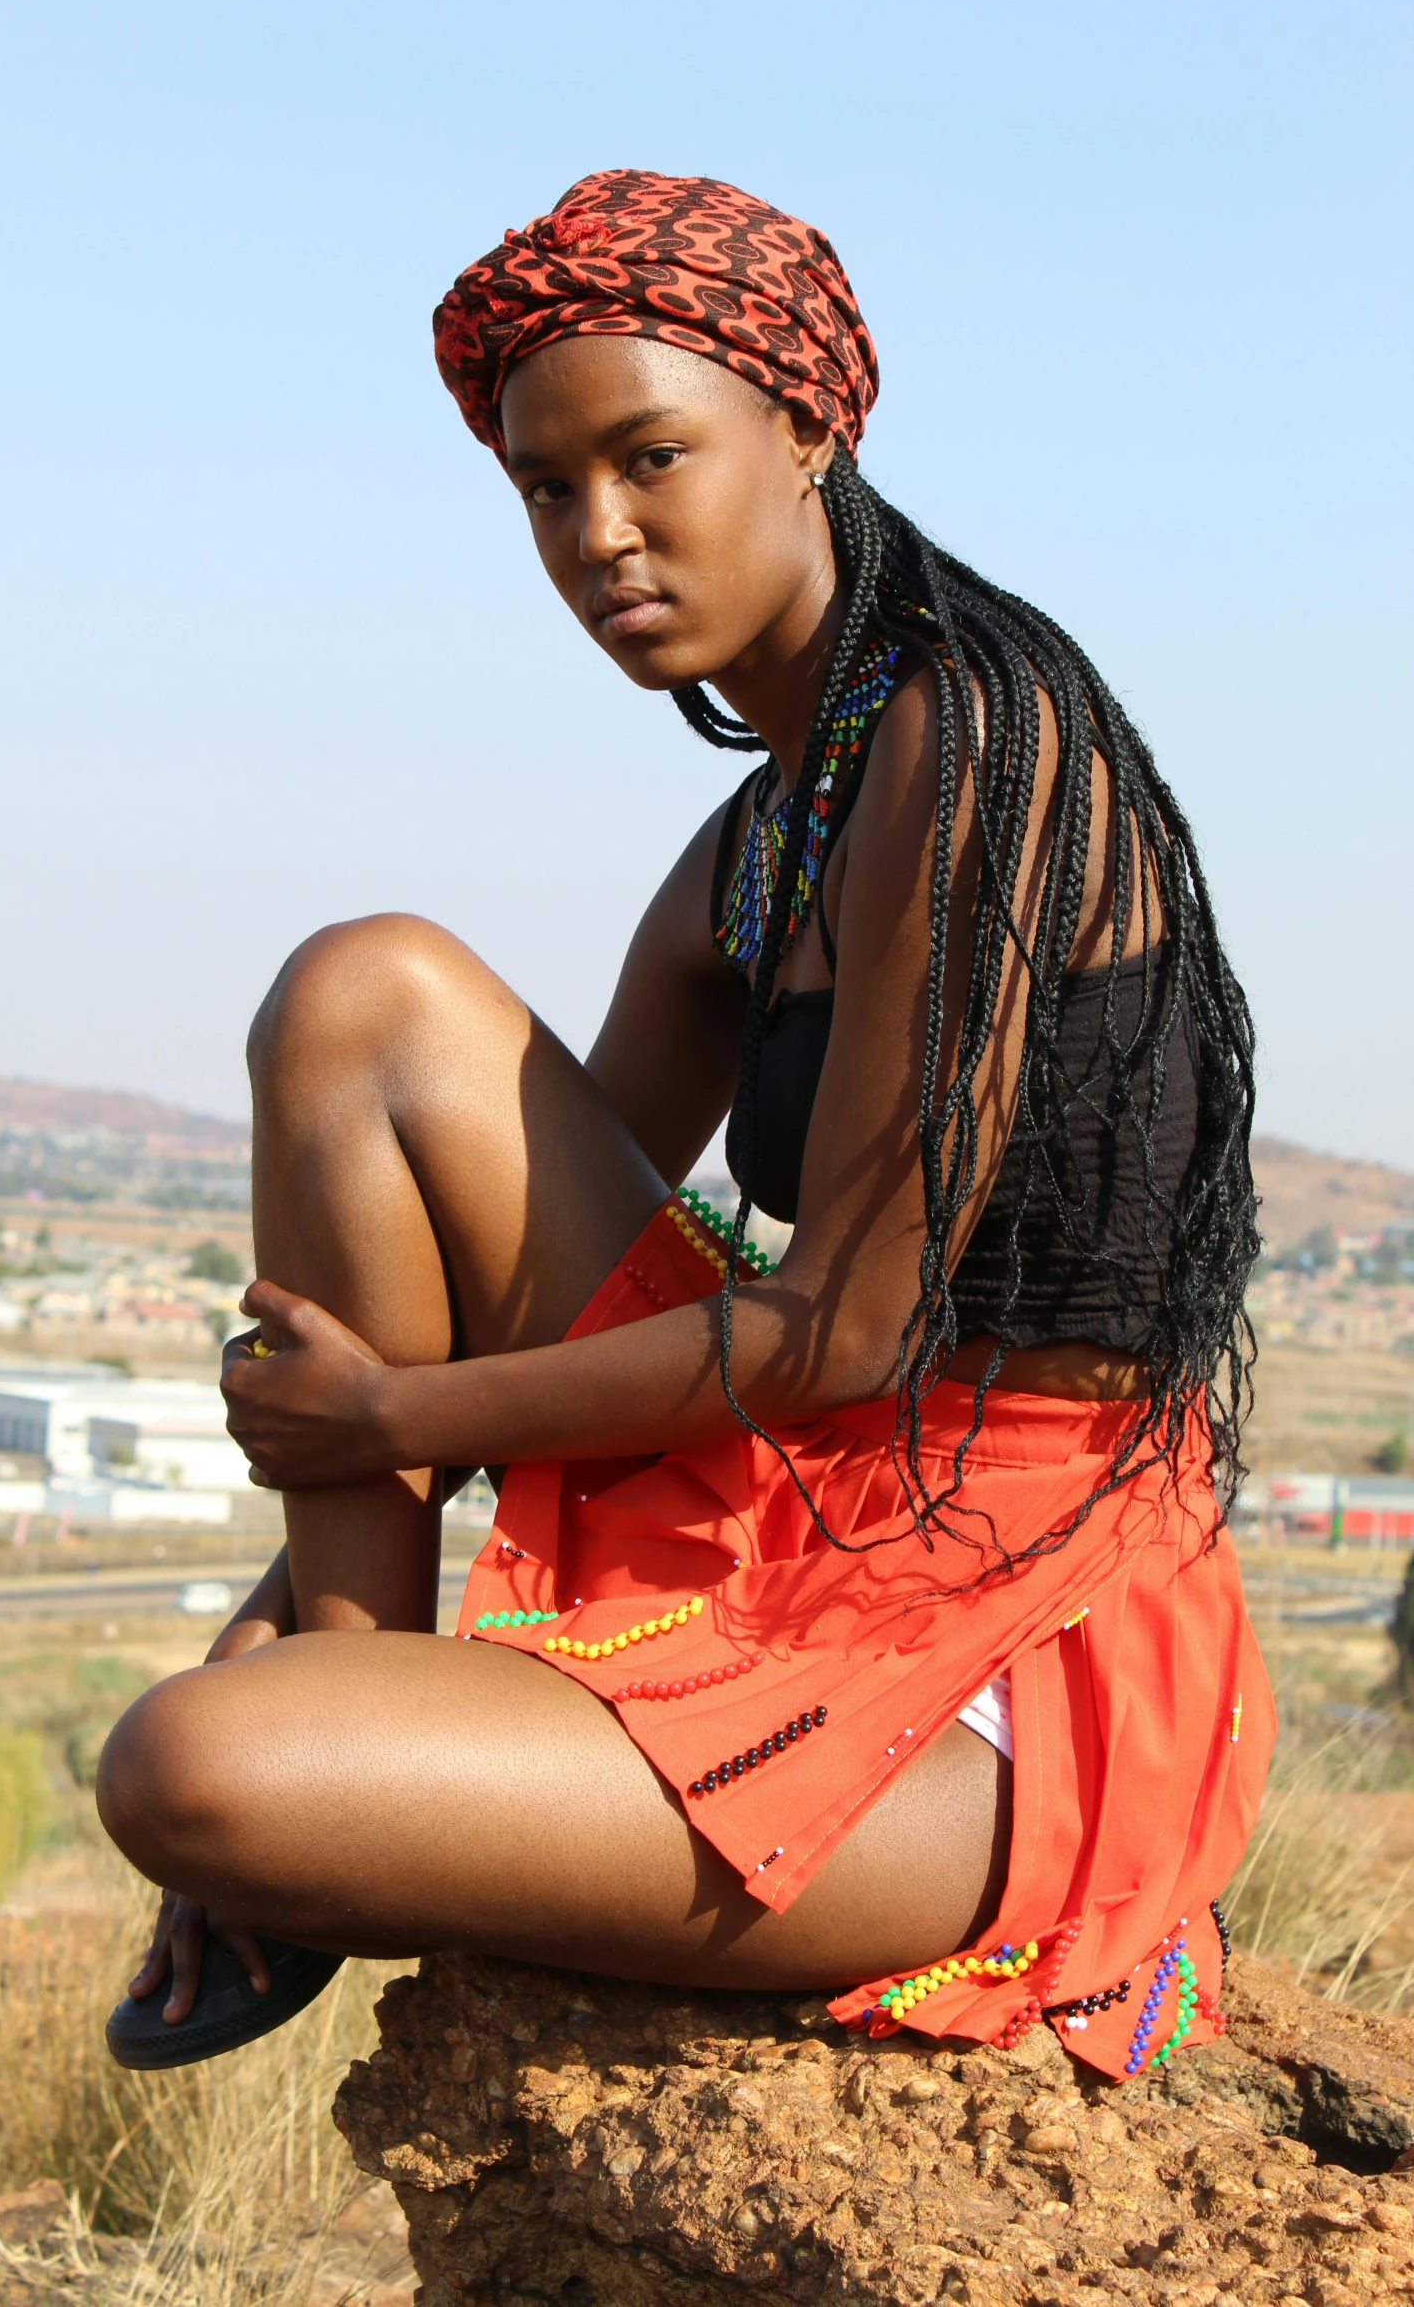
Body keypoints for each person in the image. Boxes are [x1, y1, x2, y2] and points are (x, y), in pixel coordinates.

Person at [96, 170, 1273, 2081]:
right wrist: (285, 1600)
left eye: (648, 456)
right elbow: (480, 1309)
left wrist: (385, 1427)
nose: (599, 534)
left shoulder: (973, 744)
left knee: (182, 1769)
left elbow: (847, 1334)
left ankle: (317, 1770)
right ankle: (340, 1668)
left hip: (1005, 1626)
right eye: (544, 490)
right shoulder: (760, 843)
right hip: (805, 1506)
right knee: (362, 996)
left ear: (807, 424)